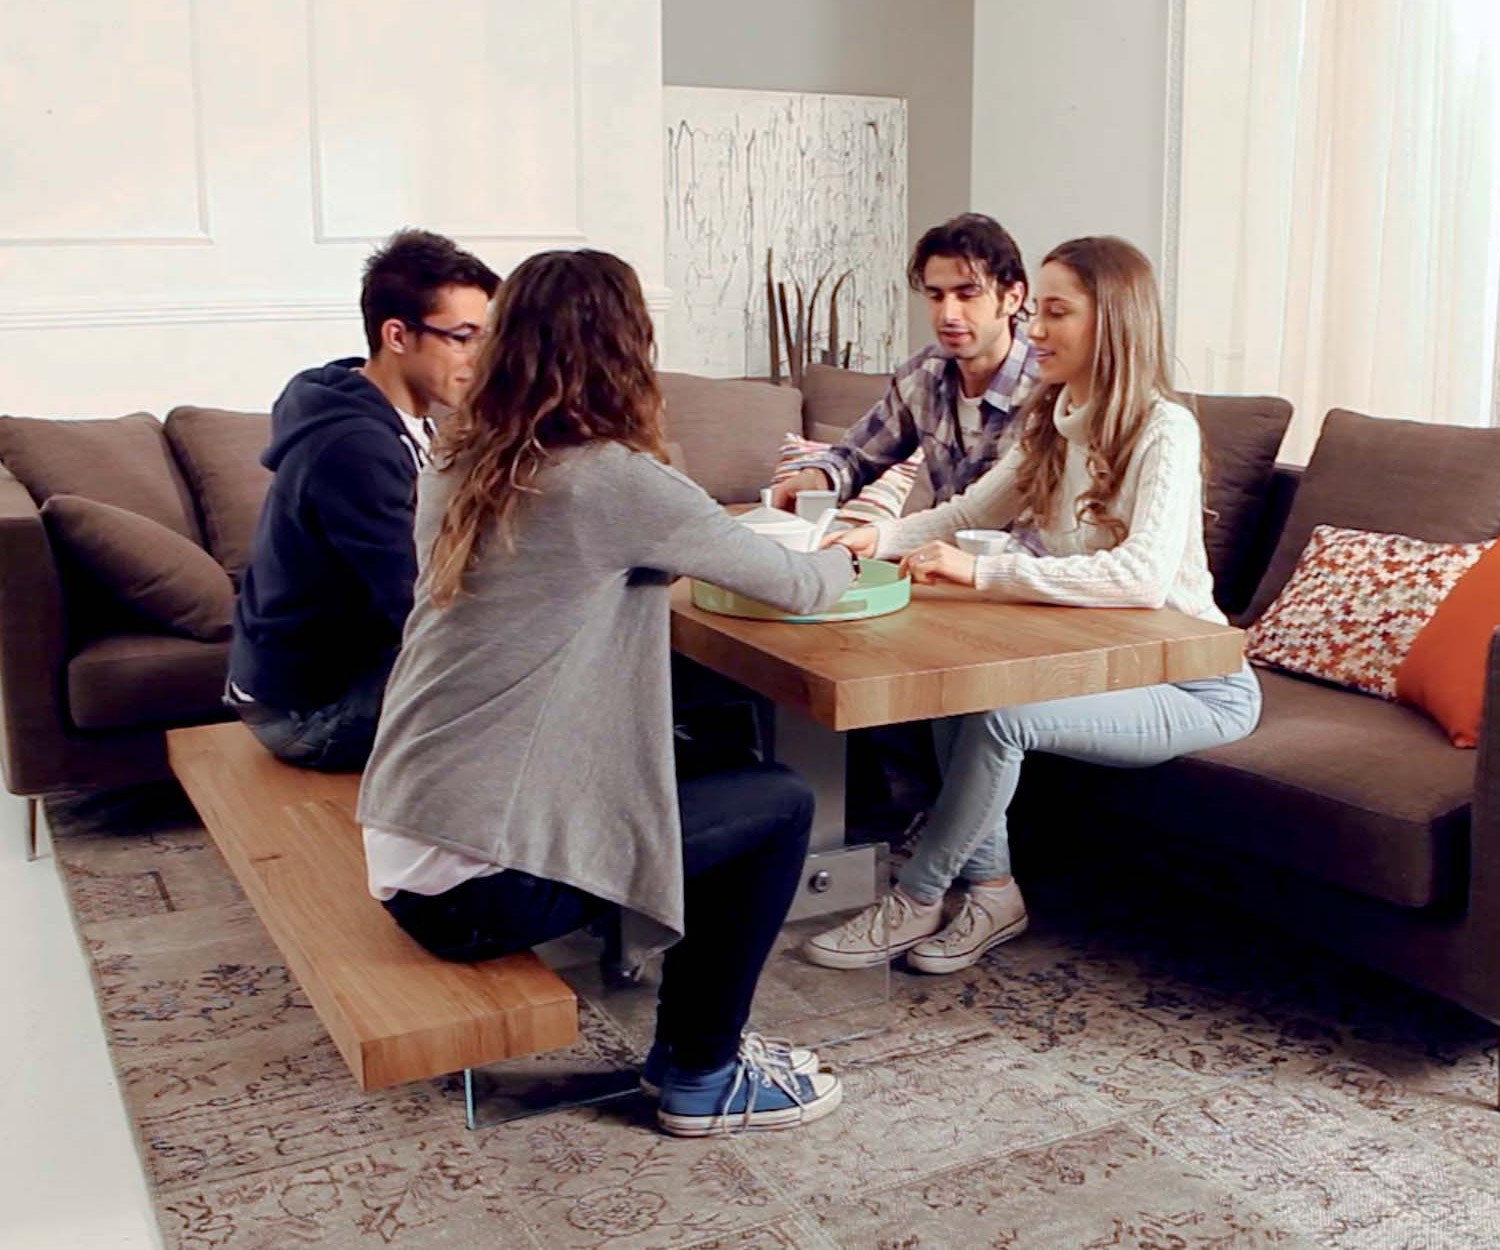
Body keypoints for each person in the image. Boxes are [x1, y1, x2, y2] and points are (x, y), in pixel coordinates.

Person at [356, 249, 857, 1136]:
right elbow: (800, 584)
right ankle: (701, 1074)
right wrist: (855, 548)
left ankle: (690, 1049)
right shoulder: (610, 482)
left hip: (411, 839)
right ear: (629, 350)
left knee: (714, 766)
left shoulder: (461, 457)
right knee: (776, 805)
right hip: (475, 883)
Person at [803, 236, 1263, 975]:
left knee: (997, 714)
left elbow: (1141, 579)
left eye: (1056, 312)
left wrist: (985, 576)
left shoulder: (1163, 428)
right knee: (961, 689)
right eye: (1037, 311)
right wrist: (872, 539)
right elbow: (963, 512)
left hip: (1194, 681)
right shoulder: (1054, 416)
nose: (1036, 329)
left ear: (1110, 323)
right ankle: (991, 892)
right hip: (1107, 666)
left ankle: (916, 900)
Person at [227, 229, 499, 770]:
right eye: (462, 337)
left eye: (486, 338)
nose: (478, 358)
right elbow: (419, 602)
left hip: (333, 675)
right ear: (397, 336)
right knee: (525, 692)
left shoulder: (385, 412)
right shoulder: (353, 448)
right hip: (309, 710)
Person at [768, 212, 1038, 513]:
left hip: (1022, 557)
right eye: (936, 296)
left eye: (967, 294)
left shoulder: (1048, 389)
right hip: (936, 551)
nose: (948, 314)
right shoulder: (924, 375)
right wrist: (815, 477)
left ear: (1012, 298)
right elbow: (858, 456)